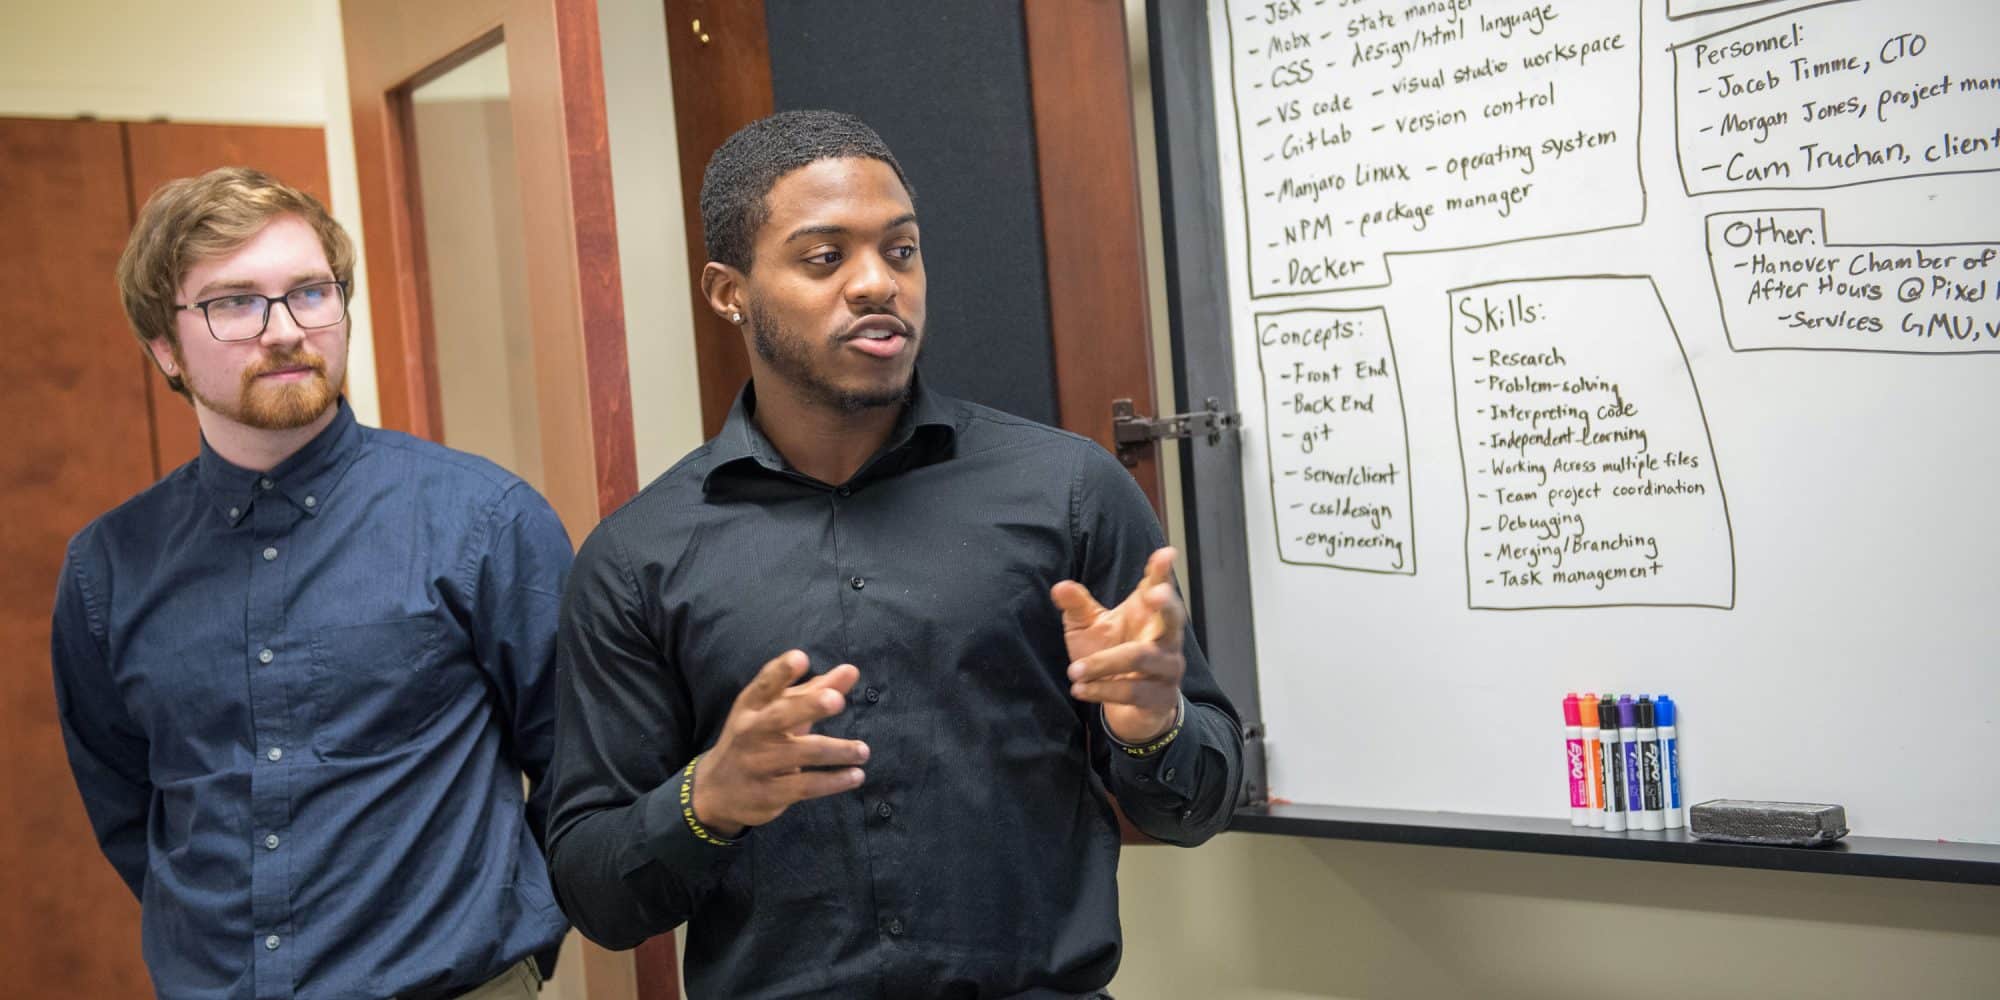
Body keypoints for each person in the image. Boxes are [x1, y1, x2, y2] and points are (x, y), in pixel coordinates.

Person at [545, 110, 1243, 998]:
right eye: (824, 257)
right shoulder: (636, 557)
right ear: (729, 292)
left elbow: (1199, 806)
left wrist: (1153, 727)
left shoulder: (1068, 492)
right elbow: (596, 893)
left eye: (901, 251)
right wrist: (707, 801)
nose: (878, 284)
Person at [52, 167, 568, 998]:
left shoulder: (483, 520)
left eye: (310, 292)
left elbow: (578, 764)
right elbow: (127, 810)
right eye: (234, 303)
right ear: (164, 348)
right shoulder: (106, 568)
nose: (285, 329)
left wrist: (516, 943)